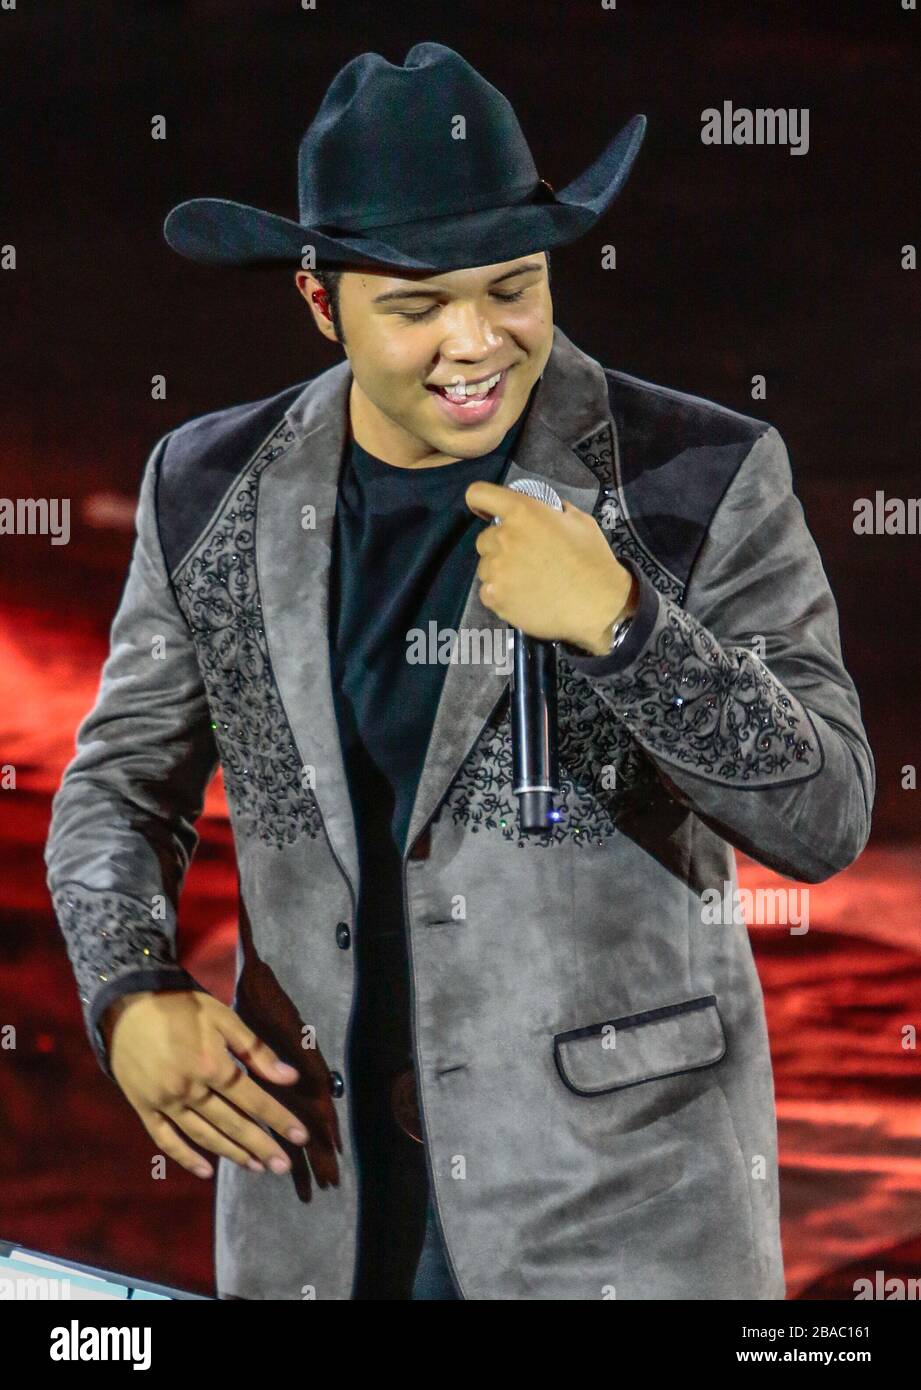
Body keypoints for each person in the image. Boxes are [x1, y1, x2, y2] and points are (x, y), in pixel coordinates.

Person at [45, 42, 873, 1301]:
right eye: (416, 306)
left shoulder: (696, 477)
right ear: (321, 302)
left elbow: (825, 816)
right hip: (317, 1201)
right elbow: (118, 788)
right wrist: (129, 989)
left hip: (619, 1220)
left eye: (512, 289)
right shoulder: (205, 487)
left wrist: (626, 626)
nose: (476, 343)